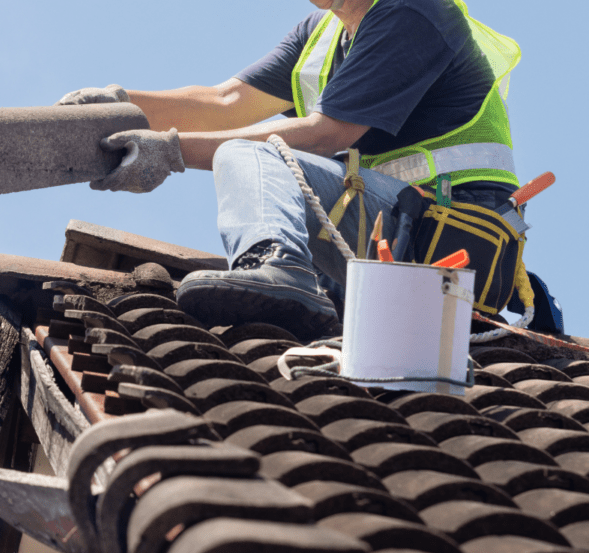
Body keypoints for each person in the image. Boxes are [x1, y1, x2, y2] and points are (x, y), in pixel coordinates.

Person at [56, 0, 522, 340]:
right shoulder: (319, 36)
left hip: (447, 244)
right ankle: (293, 283)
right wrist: (122, 105)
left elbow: (326, 134)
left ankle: (279, 267)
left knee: (252, 155)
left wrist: (169, 153)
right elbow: (226, 103)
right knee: (252, 157)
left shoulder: (413, 11)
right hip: (385, 234)